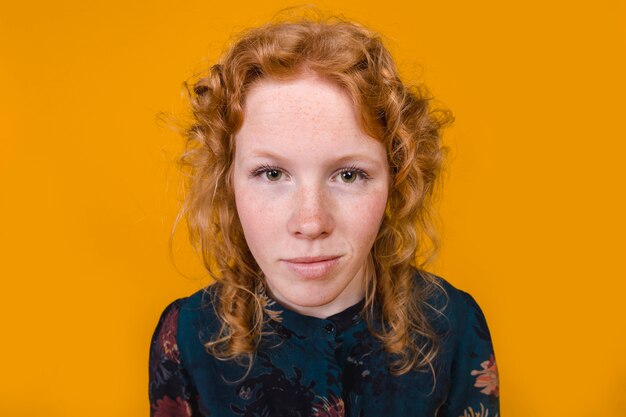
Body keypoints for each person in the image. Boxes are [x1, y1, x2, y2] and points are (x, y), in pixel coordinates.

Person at [149, 14, 500, 417]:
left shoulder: (454, 323)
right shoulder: (186, 336)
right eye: (272, 173)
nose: (312, 222)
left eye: (349, 175)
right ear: (227, 182)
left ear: (396, 180)